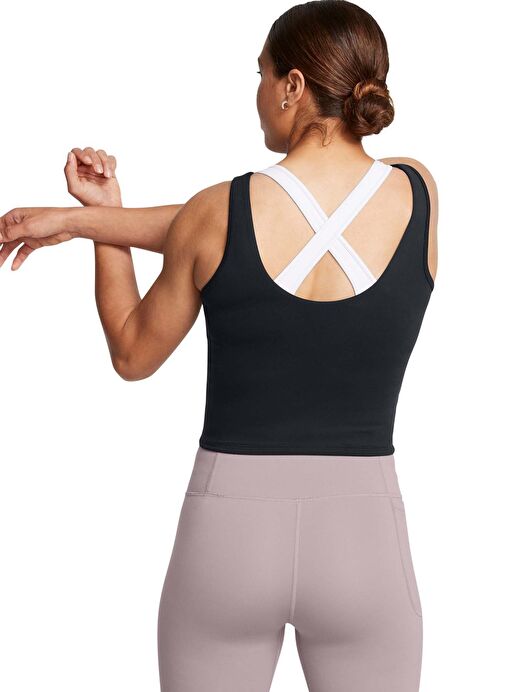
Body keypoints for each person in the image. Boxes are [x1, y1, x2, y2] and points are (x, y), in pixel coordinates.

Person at [0, 1, 438, 690]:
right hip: (363, 540)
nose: (258, 92)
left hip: (228, 536)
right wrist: (87, 220)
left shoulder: (215, 213)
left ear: (293, 85)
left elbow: (132, 353)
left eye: (261, 74)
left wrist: (98, 223)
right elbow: (262, 221)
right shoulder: (418, 192)